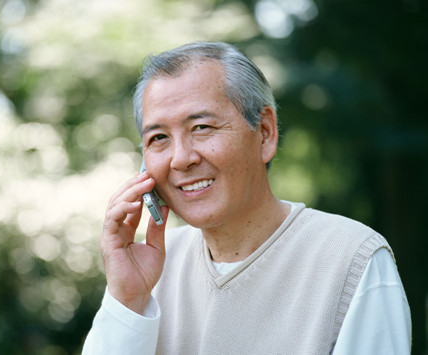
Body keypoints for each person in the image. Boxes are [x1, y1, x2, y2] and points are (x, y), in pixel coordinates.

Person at [82, 42, 411, 354]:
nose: (180, 159)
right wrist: (127, 300)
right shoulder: (152, 268)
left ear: (265, 133)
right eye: (159, 138)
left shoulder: (351, 258)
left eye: (201, 127)